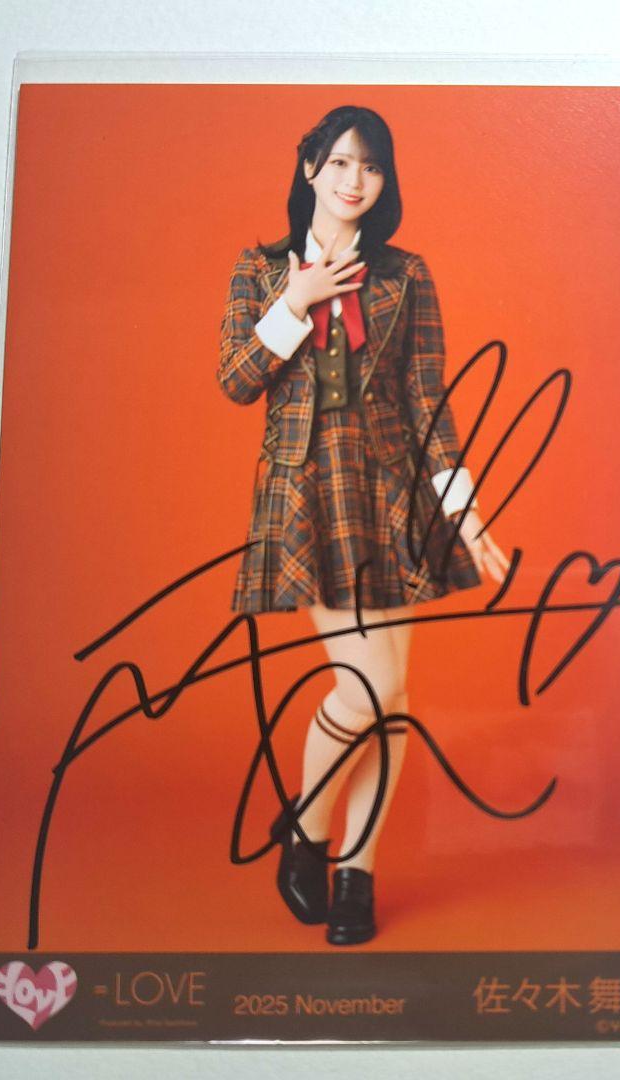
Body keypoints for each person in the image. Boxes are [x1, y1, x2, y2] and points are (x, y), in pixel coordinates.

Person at [217, 105, 509, 946]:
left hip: (390, 492)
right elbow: (235, 379)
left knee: (391, 698)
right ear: (309, 166)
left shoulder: (404, 275)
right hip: (305, 493)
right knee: (369, 689)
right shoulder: (259, 270)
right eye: (340, 162)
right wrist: (295, 299)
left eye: (371, 167)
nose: (354, 180)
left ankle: (356, 870)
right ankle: (308, 828)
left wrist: (463, 510)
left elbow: (427, 399)